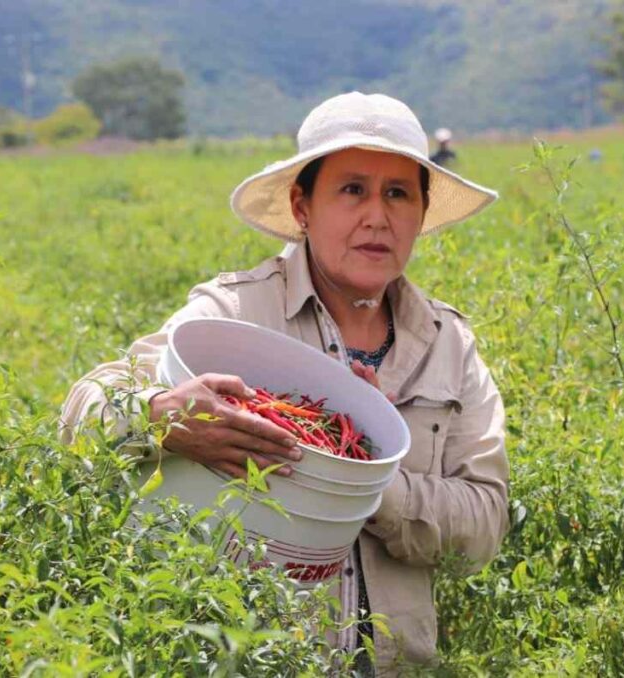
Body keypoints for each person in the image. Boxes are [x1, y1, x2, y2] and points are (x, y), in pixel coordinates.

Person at [59, 92, 510, 674]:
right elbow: (83, 410)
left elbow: (483, 521)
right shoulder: (234, 312)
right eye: (352, 190)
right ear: (302, 206)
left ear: (421, 213)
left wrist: (365, 481)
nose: (378, 216)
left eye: (398, 193)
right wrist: (161, 414)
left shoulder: (448, 344)